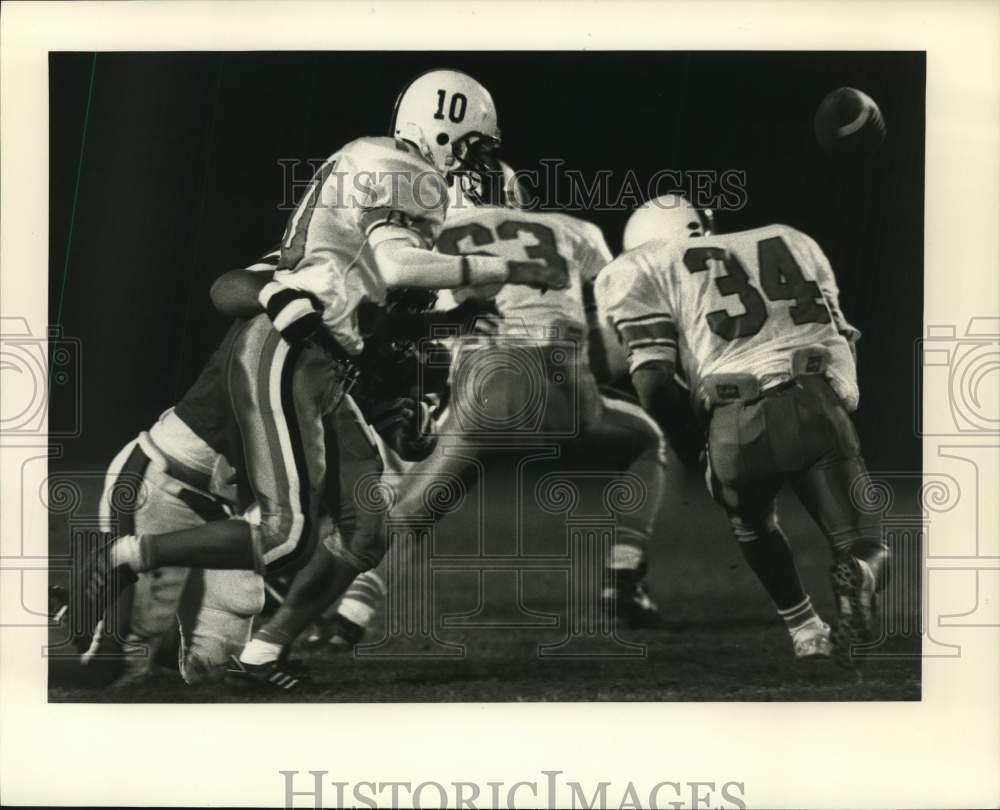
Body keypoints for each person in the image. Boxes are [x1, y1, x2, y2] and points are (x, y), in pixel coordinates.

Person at [69, 69, 566, 684]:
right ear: (440, 131)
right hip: (175, 471)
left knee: (354, 533)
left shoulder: (355, 247)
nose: (476, 165)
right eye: (470, 147)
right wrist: (494, 267)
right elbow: (258, 284)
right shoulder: (394, 177)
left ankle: (258, 650)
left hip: (290, 407)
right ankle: (128, 566)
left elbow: (375, 325)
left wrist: (408, 395)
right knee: (114, 658)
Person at [595, 194, 889, 664]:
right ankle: (858, 574)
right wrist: (840, 400)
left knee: (751, 524)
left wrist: (695, 447)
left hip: (734, 421)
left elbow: (652, 382)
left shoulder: (642, 267)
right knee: (862, 543)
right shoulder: (789, 237)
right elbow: (841, 334)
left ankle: (806, 631)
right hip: (814, 401)